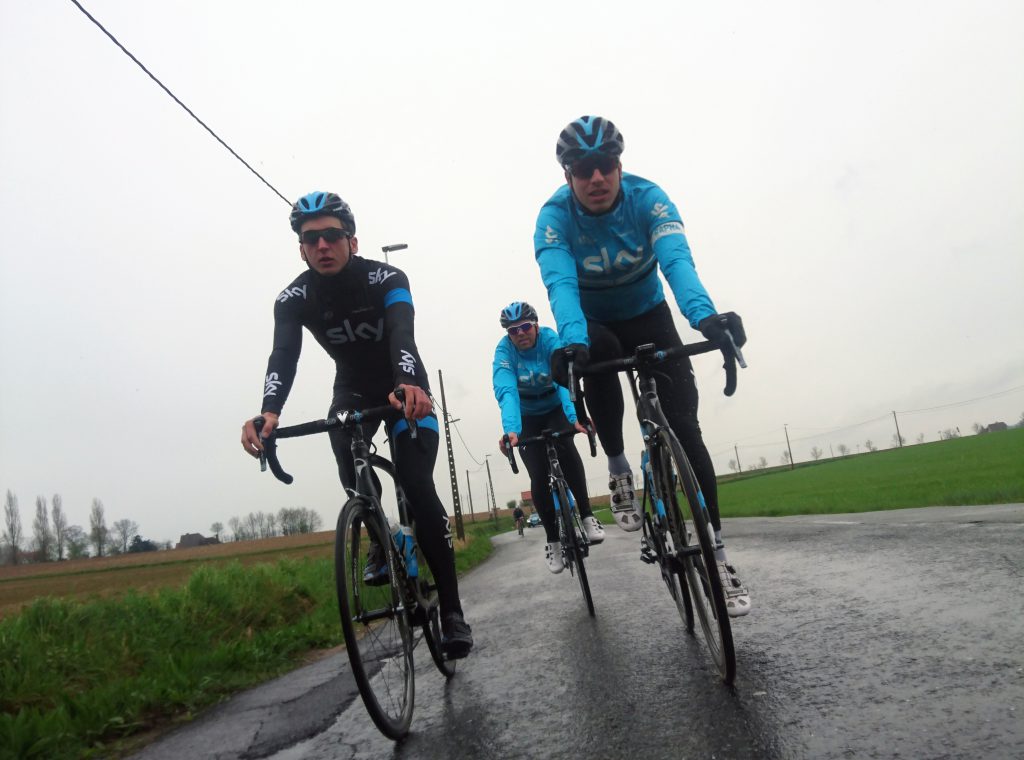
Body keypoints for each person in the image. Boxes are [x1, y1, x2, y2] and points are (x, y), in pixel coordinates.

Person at [533, 116, 751, 616]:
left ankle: (717, 554)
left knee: (686, 431)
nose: (596, 178)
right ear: (568, 175)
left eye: (604, 166)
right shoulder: (553, 219)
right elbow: (560, 286)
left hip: (649, 313)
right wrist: (571, 342)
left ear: (619, 166)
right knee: (600, 354)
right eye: (583, 169)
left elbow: (677, 262)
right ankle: (618, 467)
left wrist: (705, 317)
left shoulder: (649, 198)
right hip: (594, 323)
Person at [240, 191, 473, 655]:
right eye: (312, 239)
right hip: (352, 389)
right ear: (301, 248)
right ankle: (376, 532)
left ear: (352, 239)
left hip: (405, 385)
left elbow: (402, 332)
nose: (322, 245)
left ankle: (451, 611)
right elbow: (283, 355)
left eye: (332, 235)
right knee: (347, 454)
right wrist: (269, 411)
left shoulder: (386, 277)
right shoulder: (293, 298)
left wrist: (408, 382)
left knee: (417, 483)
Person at [492, 301, 606, 574]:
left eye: (525, 327)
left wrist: (574, 417)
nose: (520, 333)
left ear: (536, 325)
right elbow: (506, 390)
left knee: (566, 449)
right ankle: (553, 540)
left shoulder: (549, 339)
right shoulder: (504, 351)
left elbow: (562, 380)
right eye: (513, 330)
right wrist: (511, 431)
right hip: (526, 415)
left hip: (555, 405)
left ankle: (588, 516)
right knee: (538, 474)